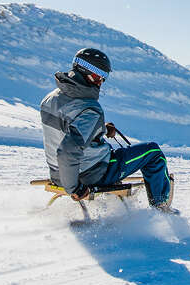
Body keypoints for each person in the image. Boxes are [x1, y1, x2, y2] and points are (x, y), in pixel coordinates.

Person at [40, 47, 173, 211]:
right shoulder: (89, 109)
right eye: (98, 76)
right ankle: (161, 207)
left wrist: (99, 129)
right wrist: (74, 189)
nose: (101, 82)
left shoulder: (51, 98)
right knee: (153, 152)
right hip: (91, 174)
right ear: (83, 71)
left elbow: (66, 128)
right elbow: (67, 150)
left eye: (104, 77)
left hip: (57, 173)